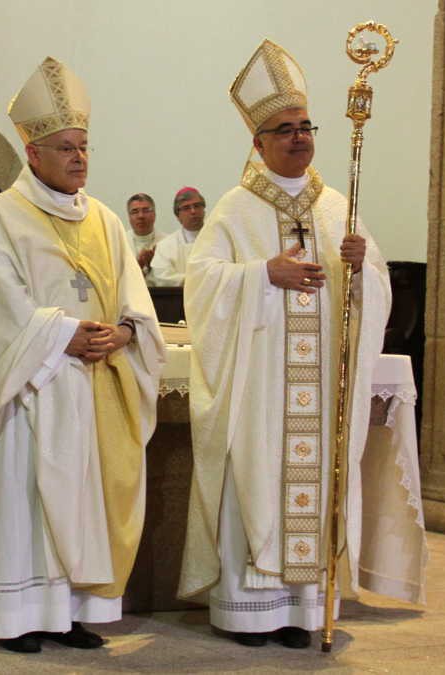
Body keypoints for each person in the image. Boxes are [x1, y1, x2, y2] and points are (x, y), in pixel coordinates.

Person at [179, 40, 418, 649]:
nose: (299, 138)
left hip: (320, 396)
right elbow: (200, 286)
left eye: (305, 126)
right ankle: (248, 612)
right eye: (283, 130)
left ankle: (304, 611)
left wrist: (363, 270)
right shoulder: (234, 211)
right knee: (258, 479)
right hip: (261, 388)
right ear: (257, 144)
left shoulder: (341, 208)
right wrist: (263, 274)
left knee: (313, 488)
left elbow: (378, 295)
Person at [0, 56, 164, 654]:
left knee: (86, 500)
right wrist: (62, 334)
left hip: (96, 384)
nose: (80, 158)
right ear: (33, 153)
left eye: (84, 147)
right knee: (27, 499)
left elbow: (136, 302)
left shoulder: (106, 220)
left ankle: (75, 611)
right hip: (32, 384)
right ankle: (19, 615)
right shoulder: (6, 216)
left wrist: (126, 334)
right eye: (66, 148)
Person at [150, 187, 205, 287]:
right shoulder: (165, 246)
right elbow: (162, 277)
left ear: (204, 210)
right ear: (177, 216)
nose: (193, 211)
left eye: (197, 206)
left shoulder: (219, 238)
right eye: (186, 208)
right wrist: (198, 281)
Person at [126, 193, 157, 284]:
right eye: (135, 211)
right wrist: (138, 265)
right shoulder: (120, 243)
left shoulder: (167, 243)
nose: (141, 216)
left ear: (154, 215)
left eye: (146, 210)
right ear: (129, 217)